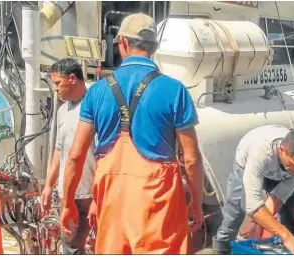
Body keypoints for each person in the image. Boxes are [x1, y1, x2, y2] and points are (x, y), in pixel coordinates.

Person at [60, 13, 204, 254]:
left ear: (123, 43)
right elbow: (191, 158)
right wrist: (196, 204)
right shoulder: (174, 90)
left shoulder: (96, 91)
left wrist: (67, 205)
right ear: (154, 47)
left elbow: (75, 156)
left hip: (112, 196)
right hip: (158, 200)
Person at [211, 126, 294, 255]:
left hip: (280, 174)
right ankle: (220, 251)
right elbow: (251, 204)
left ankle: (293, 250)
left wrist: (259, 225)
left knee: (288, 215)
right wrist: (284, 235)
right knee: (233, 216)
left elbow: (278, 196)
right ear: (282, 150)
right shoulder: (260, 153)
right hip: (247, 165)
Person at [40, 57, 96, 254]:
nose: (55, 89)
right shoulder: (63, 110)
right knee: (71, 247)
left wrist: (97, 198)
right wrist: (49, 185)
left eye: (58, 83)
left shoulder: (96, 106)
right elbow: (59, 149)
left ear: (72, 78)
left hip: (90, 193)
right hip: (68, 193)